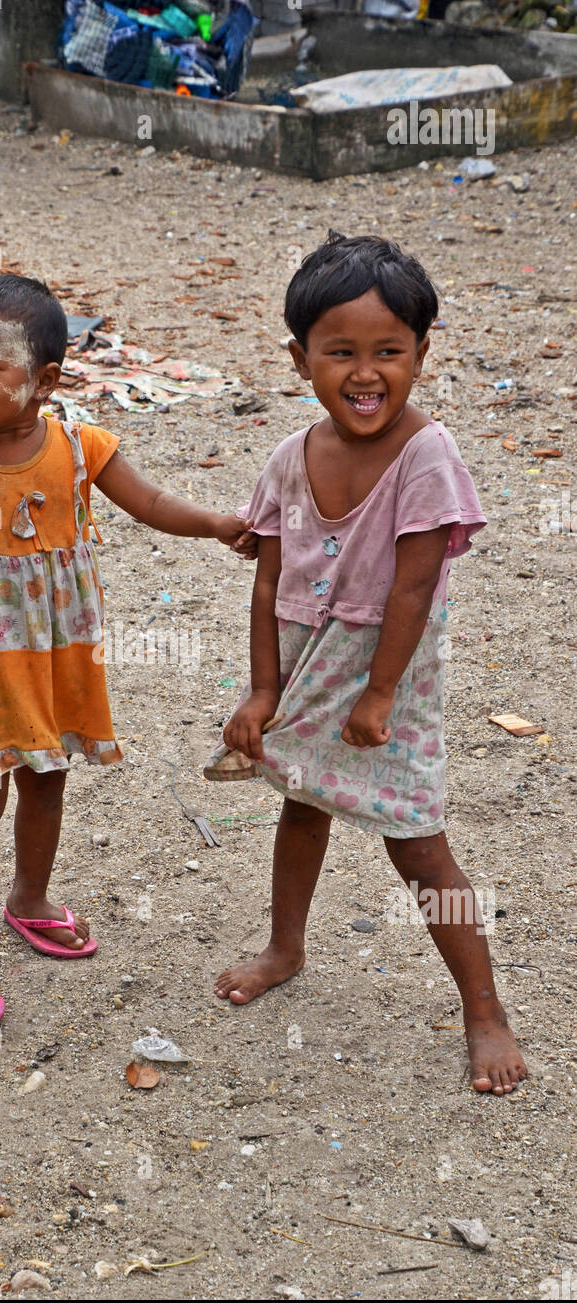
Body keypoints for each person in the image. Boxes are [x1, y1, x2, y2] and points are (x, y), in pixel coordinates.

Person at [0, 274, 251, 1035]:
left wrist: (217, 524)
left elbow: (154, 505)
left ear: (44, 381)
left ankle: (29, 899)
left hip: (57, 649)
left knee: (48, 776)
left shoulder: (81, 447)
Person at [208, 233, 527, 1096]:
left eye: (389, 351)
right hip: (309, 669)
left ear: (421, 352)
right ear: (298, 357)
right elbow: (268, 577)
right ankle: (284, 946)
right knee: (301, 809)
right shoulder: (288, 457)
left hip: (385, 679)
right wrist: (263, 687)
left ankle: (483, 1009)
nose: (365, 372)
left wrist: (380, 691)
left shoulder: (427, 456)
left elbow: (415, 589)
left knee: (419, 848)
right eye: (339, 351)